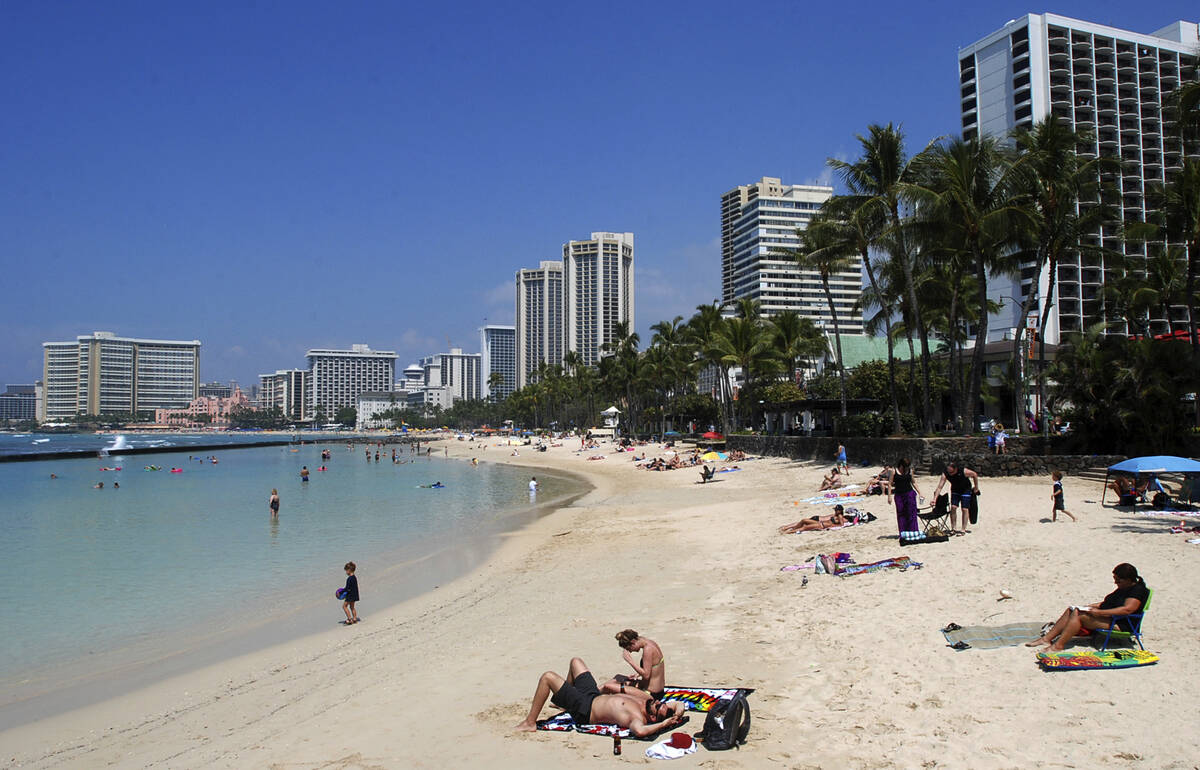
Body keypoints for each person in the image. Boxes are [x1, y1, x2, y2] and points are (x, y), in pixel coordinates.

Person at [514, 657, 686, 735]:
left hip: (585, 710)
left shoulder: (636, 718)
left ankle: (530, 723)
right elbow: (679, 705)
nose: (657, 702)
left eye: (658, 707)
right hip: (593, 695)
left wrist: (663, 724)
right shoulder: (646, 699)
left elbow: (640, 731)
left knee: (548, 677)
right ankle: (566, 704)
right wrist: (676, 715)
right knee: (576, 662)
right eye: (659, 703)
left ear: (653, 716)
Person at [1026, 563, 1149, 651]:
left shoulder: (1137, 591)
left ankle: (1059, 645)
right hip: (1111, 619)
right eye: (1115, 579)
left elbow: (1127, 609)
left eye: (1118, 581)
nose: (1115, 583)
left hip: (1123, 625)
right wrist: (1089, 607)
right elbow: (1108, 603)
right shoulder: (1124, 588)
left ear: (1128, 579)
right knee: (1072, 610)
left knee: (1079, 615)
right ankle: (1046, 639)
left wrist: (1099, 613)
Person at [601, 629, 666, 700]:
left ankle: (591, 696)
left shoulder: (648, 650)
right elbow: (654, 668)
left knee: (608, 686)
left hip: (651, 694)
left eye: (629, 648)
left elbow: (646, 675)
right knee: (618, 677)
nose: (631, 651)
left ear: (633, 642)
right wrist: (638, 674)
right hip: (657, 689)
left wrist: (630, 661)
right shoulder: (650, 643)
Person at [933, 460, 980, 535]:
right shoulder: (945, 473)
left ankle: (963, 529)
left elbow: (974, 474)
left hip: (966, 490)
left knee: (964, 509)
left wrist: (976, 487)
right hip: (955, 490)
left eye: (951, 472)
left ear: (956, 469)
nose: (950, 474)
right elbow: (939, 487)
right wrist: (934, 499)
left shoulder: (963, 471)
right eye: (949, 472)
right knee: (953, 507)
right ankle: (953, 528)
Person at [886, 458, 925, 541]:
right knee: (901, 514)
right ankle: (903, 532)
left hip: (910, 494)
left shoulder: (910, 471)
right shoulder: (894, 471)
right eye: (904, 467)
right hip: (899, 495)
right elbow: (890, 484)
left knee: (912, 513)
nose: (906, 469)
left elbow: (913, 482)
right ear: (901, 465)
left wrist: (920, 492)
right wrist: (889, 496)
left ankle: (913, 531)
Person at [779, 505, 847, 534]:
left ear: (840, 511)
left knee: (804, 527)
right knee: (804, 520)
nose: (835, 511)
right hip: (820, 523)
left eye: (836, 510)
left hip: (822, 525)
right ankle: (791, 530)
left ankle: (788, 532)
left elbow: (841, 525)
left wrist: (831, 526)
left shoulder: (840, 516)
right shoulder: (836, 515)